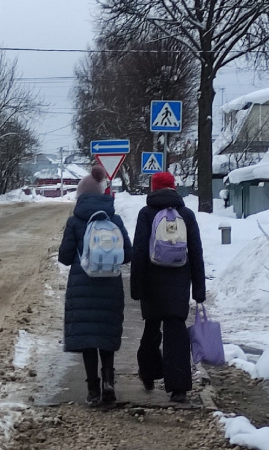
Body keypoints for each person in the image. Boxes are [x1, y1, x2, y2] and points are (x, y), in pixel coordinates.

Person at [58, 166, 132, 406]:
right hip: (110, 286)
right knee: (105, 336)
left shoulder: (75, 221)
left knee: (88, 339)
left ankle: (92, 390)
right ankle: (108, 382)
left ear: (80, 195)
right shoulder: (114, 218)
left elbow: (65, 257)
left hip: (82, 288)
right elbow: (128, 254)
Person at [130, 171, 205, 403]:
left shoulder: (146, 213)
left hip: (152, 283)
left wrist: (136, 286)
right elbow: (196, 253)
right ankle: (179, 388)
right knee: (176, 331)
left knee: (152, 329)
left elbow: (140, 251)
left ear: (153, 188)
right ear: (173, 187)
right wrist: (199, 290)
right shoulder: (186, 214)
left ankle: (149, 372)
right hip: (178, 282)